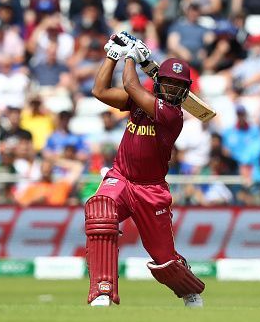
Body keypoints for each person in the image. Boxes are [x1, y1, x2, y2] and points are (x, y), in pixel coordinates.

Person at [87, 31, 205, 307]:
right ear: (158, 81)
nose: (173, 90)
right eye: (168, 83)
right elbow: (100, 91)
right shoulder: (140, 102)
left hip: (151, 190)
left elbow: (130, 84)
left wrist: (130, 56)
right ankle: (103, 290)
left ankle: (189, 289)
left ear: (185, 91)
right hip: (121, 177)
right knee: (100, 209)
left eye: (178, 86)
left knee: (164, 259)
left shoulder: (171, 115)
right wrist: (112, 56)